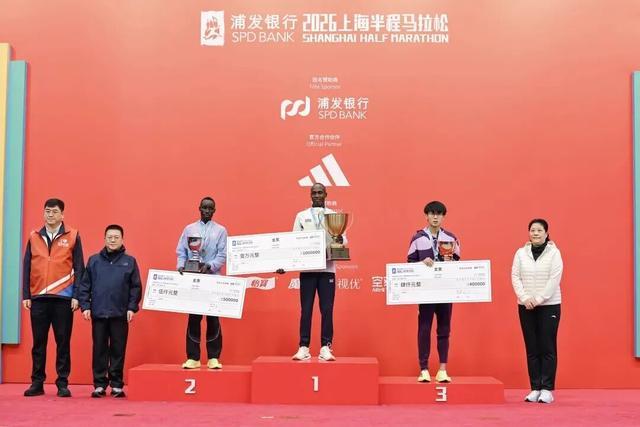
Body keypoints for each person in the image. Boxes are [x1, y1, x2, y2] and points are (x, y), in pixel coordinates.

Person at [22, 198, 84, 397]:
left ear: (62, 215)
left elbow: (79, 268)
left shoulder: (73, 235)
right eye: (47, 211)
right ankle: (37, 382)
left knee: (63, 342)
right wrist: (26, 295)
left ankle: (62, 383)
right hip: (38, 297)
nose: (50, 215)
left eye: (54, 211)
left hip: (63, 298)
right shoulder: (34, 236)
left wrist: (77, 296)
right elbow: (27, 266)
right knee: (38, 343)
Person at [78, 224, 142, 398]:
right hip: (98, 313)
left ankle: (116, 385)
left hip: (120, 314)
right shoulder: (94, 261)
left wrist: (132, 307)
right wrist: (85, 306)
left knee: (118, 350)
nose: (112, 240)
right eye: (109, 237)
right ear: (104, 239)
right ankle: (99, 384)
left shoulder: (130, 261)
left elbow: (136, 287)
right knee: (99, 349)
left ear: (122, 239)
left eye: (116, 237)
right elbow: (85, 285)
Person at [288, 183, 345, 361]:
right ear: (310, 195)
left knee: (327, 309)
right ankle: (303, 347)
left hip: (327, 269)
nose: (317, 195)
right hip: (308, 269)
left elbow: (344, 241)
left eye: (320, 192)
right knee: (306, 310)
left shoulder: (334, 216)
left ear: (326, 194)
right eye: (314, 193)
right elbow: (293, 239)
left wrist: (339, 238)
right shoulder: (302, 216)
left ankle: (325, 347)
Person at [407, 200, 460, 383]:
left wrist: (451, 263)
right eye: (432, 213)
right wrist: (421, 263)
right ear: (427, 216)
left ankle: (442, 370)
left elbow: (458, 263)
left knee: (444, 329)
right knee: (424, 329)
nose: (435, 217)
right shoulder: (417, 238)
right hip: (426, 292)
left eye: (439, 214)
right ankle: (424, 369)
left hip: (445, 290)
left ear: (443, 217)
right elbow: (409, 263)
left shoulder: (451, 238)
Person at [511, 218, 563, 404]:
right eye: (532, 230)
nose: (535, 233)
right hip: (525, 306)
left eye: (539, 230)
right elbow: (515, 276)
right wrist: (525, 298)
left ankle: (547, 389)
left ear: (546, 233)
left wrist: (539, 299)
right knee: (532, 348)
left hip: (549, 305)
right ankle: (535, 388)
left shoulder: (554, 253)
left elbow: (554, 279)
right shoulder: (520, 253)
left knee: (547, 346)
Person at [176, 196, 227, 369]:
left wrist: (210, 265)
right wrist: (181, 265)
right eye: (204, 207)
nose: (207, 210)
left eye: (210, 208)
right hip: (193, 279)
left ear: (214, 210)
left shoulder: (221, 230)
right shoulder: (189, 229)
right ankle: (193, 358)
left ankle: (213, 357)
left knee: (213, 318)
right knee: (194, 318)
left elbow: (222, 255)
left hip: (212, 279)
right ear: (199, 208)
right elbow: (181, 251)